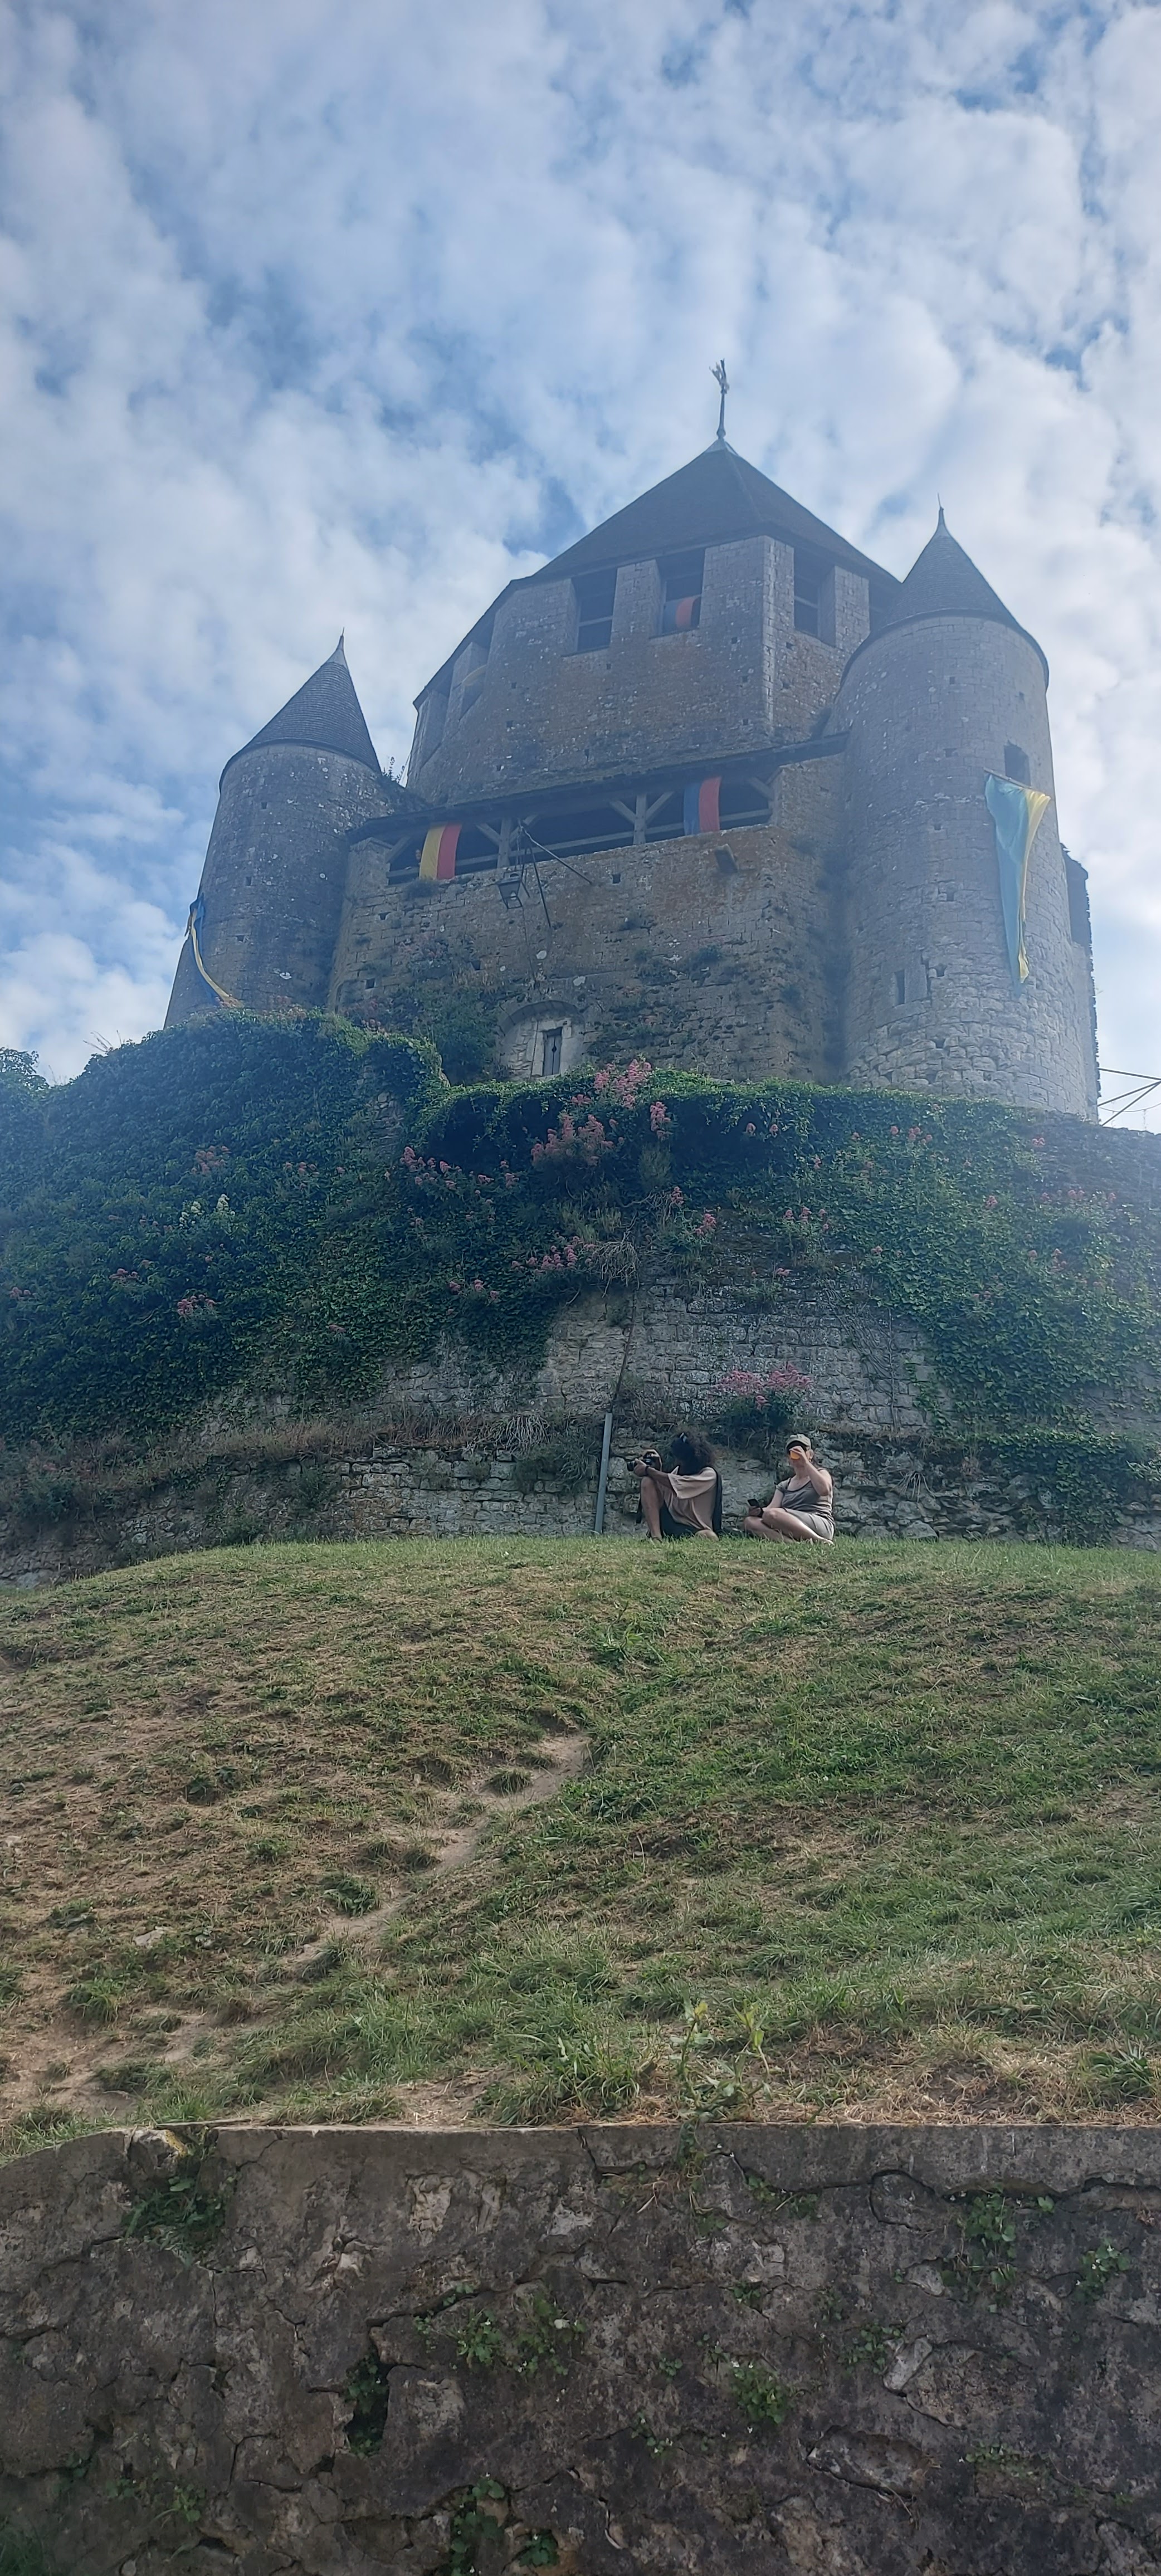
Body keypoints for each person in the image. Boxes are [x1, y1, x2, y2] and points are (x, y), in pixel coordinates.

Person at [631, 1430, 722, 1539]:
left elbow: (678, 1484)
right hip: (671, 1525)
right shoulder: (677, 1472)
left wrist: (648, 1470)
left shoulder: (708, 1475)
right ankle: (656, 1538)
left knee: (710, 1536)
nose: (679, 1463)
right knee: (648, 1481)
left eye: (682, 1460)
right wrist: (657, 1469)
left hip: (694, 1529)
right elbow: (663, 1491)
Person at [743, 1436, 834, 1544]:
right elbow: (772, 1509)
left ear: (810, 1454)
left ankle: (819, 1540)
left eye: (801, 1449)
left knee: (771, 1515)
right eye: (792, 1451)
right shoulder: (785, 1485)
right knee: (750, 1521)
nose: (797, 1453)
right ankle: (793, 1544)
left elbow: (824, 1491)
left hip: (819, 1523)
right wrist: (758, 1512)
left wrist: (806, 1462)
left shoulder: (822, 1473)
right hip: (790, 1524)